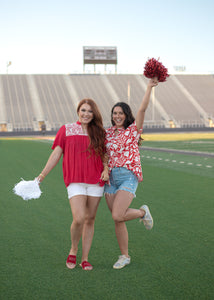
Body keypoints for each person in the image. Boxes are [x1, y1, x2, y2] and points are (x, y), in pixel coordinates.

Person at [37, 98, 109, 271]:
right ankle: (73, 249)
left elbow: (105, 154)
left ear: (94, 114)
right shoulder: (66, 129)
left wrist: (106, 168)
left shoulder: (99, 132)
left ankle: (85, 258)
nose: (86, 114)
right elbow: (56, 154)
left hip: (96, 181)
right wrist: (42, 174)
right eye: (83, 110)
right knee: (78, 218)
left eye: (90, 111)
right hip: (75, 181)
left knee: (90, 219)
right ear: (78, 111)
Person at [104, 78, 158, 269]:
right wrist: (104, 169)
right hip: (110, 179)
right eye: (114, 113)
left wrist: (149, 88)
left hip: (128, 176)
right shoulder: (108, 133)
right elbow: (103, 154)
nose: (117, 116)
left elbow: (142, 110)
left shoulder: (133, 130)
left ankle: (143, 212)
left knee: (118, 215)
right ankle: (124, 256)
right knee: (118, 219)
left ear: (126, 115)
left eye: (120, 113)